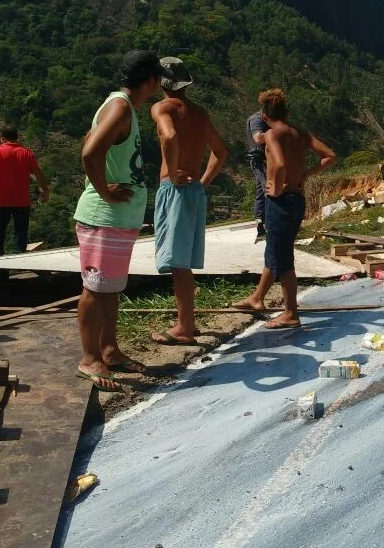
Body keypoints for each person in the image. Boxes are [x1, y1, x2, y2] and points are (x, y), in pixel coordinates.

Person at [73, 50, 171, 391]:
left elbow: (90, 141)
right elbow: (89, 152)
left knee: (110, 288)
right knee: (95, 288)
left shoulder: (121, 107)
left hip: (118, 219)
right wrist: (104, 190)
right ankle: (89, 358)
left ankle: (110, 350)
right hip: (104, 217)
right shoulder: (119, 107)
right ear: (151, 81)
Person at [233, 89, 337, 328]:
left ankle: (291, 312)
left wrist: (277, 188)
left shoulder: (271, 135)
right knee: (275, 249)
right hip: (297, 199)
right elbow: (329, 155)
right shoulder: (300, 133)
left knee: (283, 257)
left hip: (280, 202)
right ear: (286, 112)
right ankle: (257, 298)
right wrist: (304, 175)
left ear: (264, 115)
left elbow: (278, 163)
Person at [149, 57, 229, 345]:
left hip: (176, 190)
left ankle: (183, 328)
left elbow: (169, 136)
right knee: (182, 261)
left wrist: (171, 172)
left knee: (178, 263)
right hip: (194, 190)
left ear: (160, 82)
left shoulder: (161, 107)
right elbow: (220, 151)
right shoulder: (199, 112)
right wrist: (203, 182)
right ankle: (187, 322)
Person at [0, 125, 49, 255]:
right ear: (17, 137)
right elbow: (38, 173)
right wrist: (44, 190)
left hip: (1, 200)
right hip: (22, 201)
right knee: (21, 230)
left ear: (2, 137)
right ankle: (19, 256)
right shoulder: (27, 153)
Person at [246, 102, 270, 242]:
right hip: (260, 160)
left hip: (264, 159)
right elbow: (258, 138)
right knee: (268, 187)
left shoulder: (264, 118)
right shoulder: (257, 119)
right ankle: (267, 226)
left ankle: (261, 227)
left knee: (261, 191)